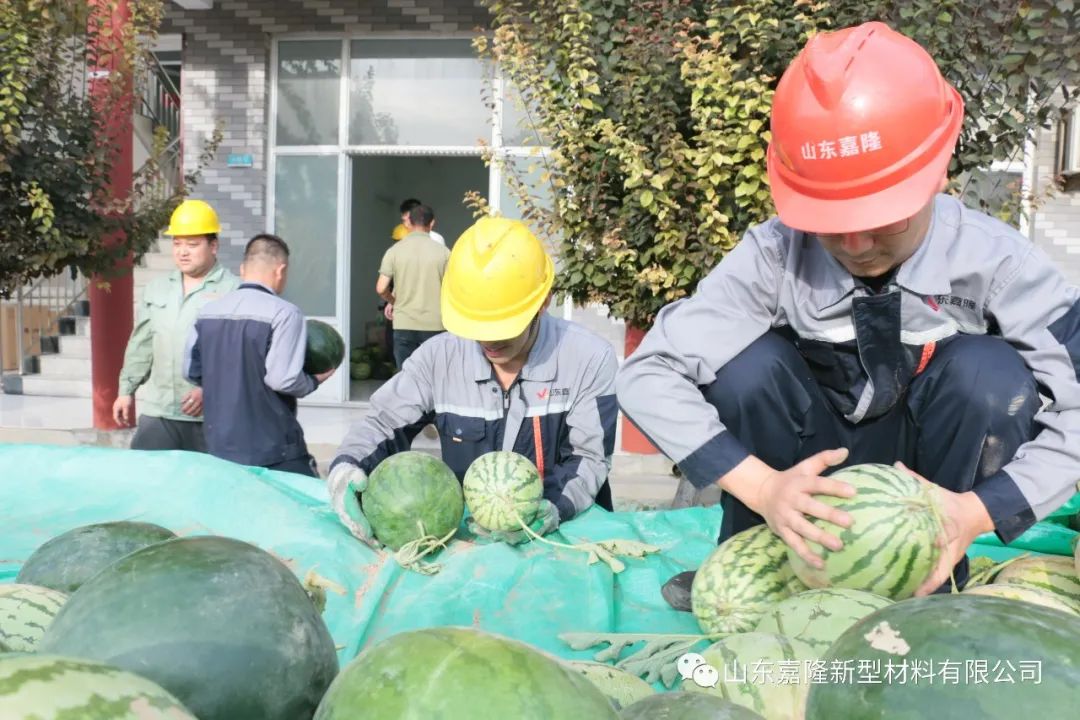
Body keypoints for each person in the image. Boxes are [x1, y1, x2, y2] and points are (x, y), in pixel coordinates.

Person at [616, 21, 1080, 609]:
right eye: (831, 222)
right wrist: (763, 488)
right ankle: (758, 563)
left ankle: (933, 576)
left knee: (991, 377)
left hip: (926, 487)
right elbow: (647, 372)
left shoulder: (998, 264)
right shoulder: (772, 255)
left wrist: (977, 511)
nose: (857, 244)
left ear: (936, 172)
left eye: (884, 217)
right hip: (799, 470)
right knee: (744, 368)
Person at [327, 216, 619, 548]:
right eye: (476, 325)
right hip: (470, 545)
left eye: (503, 326)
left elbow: (589, 456)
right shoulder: (438, 359)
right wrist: (347, 467)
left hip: (563, 539)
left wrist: (551, 507)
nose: (488, 340)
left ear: (543, 301)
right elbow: (383, 422)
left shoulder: (588, 358)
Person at [183, 234, 336, 476]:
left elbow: (191, 370)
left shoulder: (207, 312)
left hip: (221, 444)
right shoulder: (285, 313)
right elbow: (282, 379)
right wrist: (313, 381)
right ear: (281, 270)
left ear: (243, 269)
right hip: (274, 448)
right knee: (305, 503)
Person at [113, 199, 240, 451]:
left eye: (192, 245)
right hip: (159, 412)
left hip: (209, 416)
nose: (183, 252)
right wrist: (126, 390)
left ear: (213, 246)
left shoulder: (233, 291)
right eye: (177, 243)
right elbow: (142, 343)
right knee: (148, 481)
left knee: (206, 486)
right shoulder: (157, 288)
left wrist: (209, 388)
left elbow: (237, 355)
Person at [377, 204, 452, 368]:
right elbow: (453, 289)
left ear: (408, 223)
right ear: (432, 223)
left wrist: (394, 301)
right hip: (436, 326)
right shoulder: (444, 253)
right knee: (436, 378)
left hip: (404, 324)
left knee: (407, 380)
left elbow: (381, 288)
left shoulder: (394, 251)